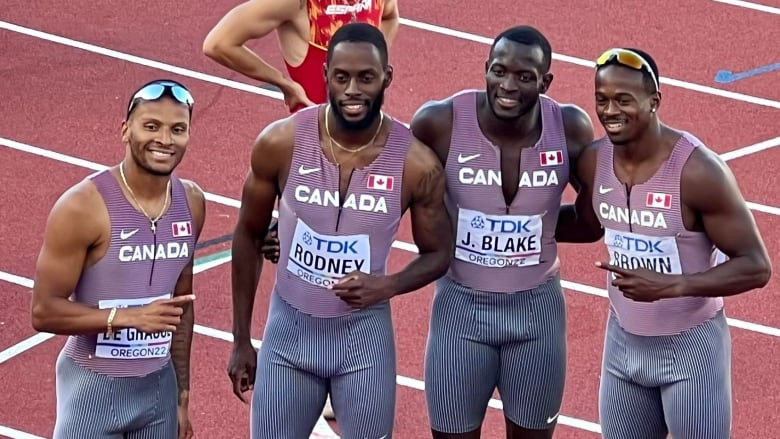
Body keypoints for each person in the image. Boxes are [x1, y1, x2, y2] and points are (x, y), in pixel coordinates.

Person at [227, 22, 452, 439]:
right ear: (325, 73)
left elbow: (439, 252)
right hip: (288, 335)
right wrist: (241, 338)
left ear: (387, 77)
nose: (353, 90)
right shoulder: (282, 143)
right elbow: (248, 234)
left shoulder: (416, 163)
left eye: (366, 78)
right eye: (342, 77)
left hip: (363, 343)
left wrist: (386, 286)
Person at [409, 25, 601, 439]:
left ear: (546, 82)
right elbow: (386, 188)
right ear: (486, 70)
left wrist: (538, 230)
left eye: (524, 76)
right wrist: (298, 220)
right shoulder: (439, 122)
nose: (507, 85)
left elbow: (591, 223)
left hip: (537, 313)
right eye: (499, 71)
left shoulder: (569, 128)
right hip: (460, 311)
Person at [589, 47, 772, 439]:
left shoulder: (699, 172)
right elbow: (582, 223)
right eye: (601, 99)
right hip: (622, 345)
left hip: (691, 354)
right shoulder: (593, 161)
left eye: (624, 100)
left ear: (654, 101)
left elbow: (757, 266)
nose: (610, 111)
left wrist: (672, 286)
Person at [30, 79, 205, 439]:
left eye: (178, 129)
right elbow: (43, 311)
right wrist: (128, 318)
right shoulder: (82, 206)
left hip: (159, 392)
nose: (164, 140)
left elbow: (181, 309)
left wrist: (182, 394)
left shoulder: (192, 203)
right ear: (125, 130)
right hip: (93, 390)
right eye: (151, 126)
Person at [203, 0, 400, 113]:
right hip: (314, 146)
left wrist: (376, 63)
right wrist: (285, 84)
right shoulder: (297, 3)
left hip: (367, 135)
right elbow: (218, 44)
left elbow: (390, 16)